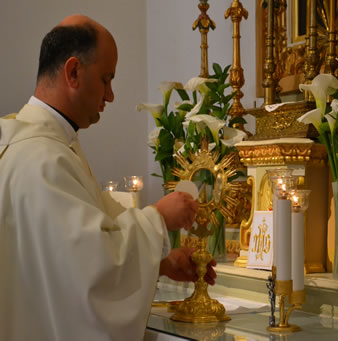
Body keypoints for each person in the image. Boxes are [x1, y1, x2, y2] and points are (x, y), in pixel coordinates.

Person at [0, 14, 215, 341]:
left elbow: (67, 256)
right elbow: (92, 267)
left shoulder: (36, 144)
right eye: (106, 79)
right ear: (73, 72)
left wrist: (160, 261)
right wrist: (158, 218)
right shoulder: (42, 158)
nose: (111, 95)